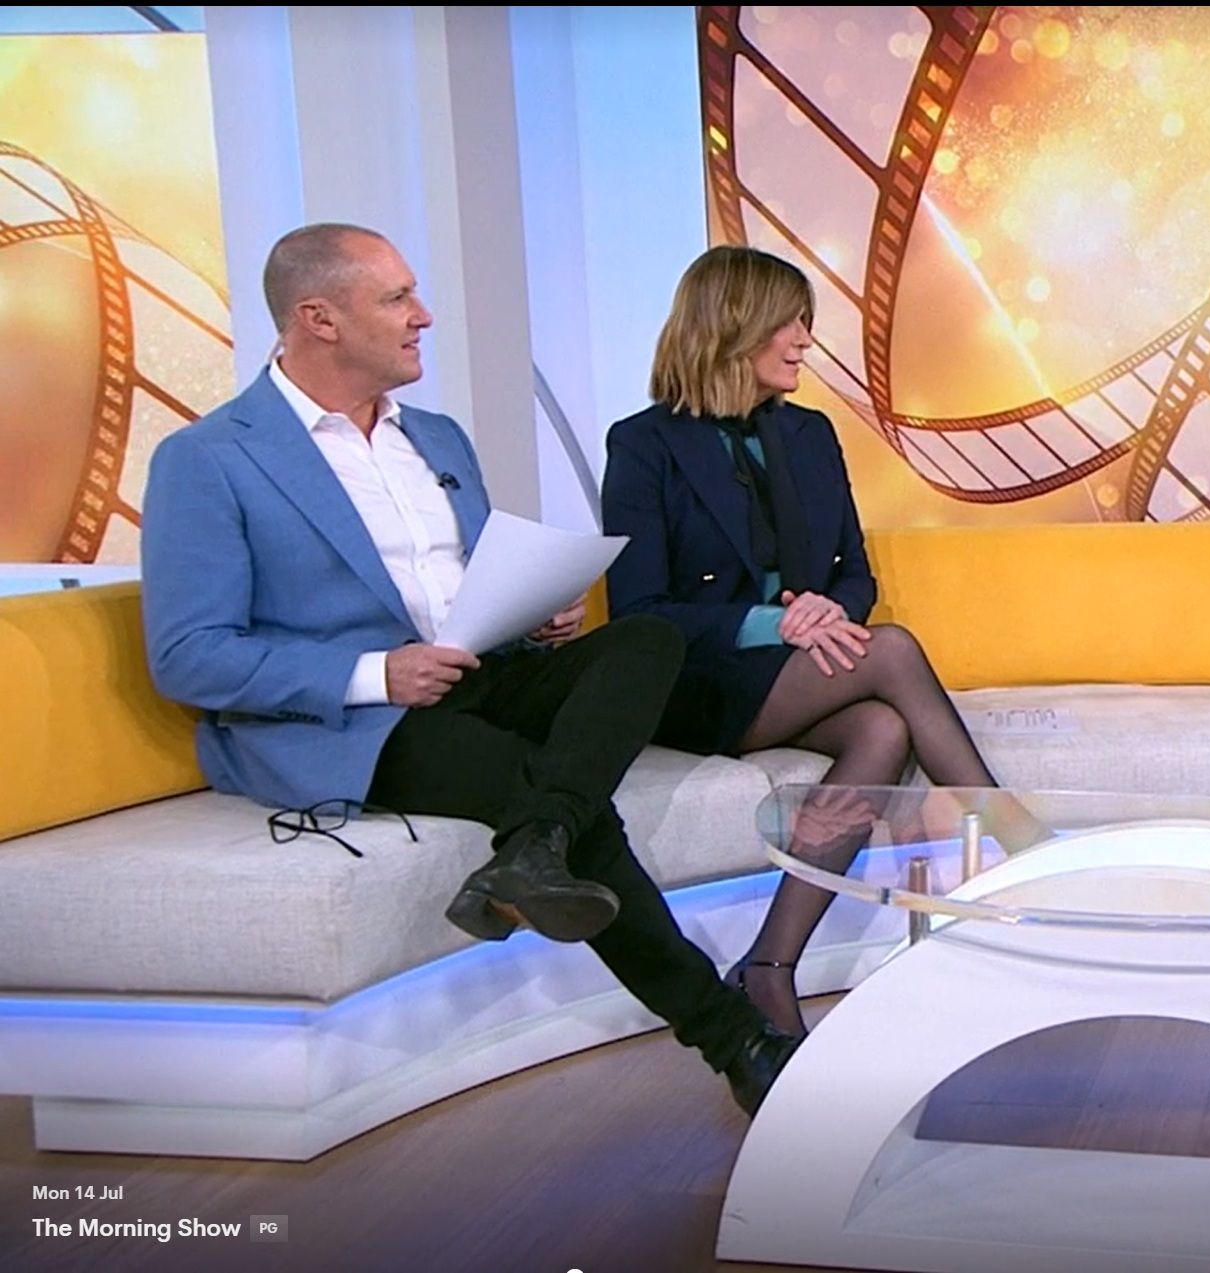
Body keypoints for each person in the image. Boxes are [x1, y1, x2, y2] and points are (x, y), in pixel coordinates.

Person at [140, 224, 797, 1116]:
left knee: (645, 640)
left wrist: (530, 614)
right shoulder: (211, 458)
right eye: (397, 298)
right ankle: (735, 1037)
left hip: (479, 674)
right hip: (358, 719)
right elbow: (188, 653)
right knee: (545, 787)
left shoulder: (437, 438)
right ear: (319, 317)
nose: (424, 316)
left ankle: (536, 847)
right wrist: (377, 674)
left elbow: (462, 590)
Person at [603, 245, 1030, 1040]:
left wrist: (828, 611)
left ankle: (768, 965)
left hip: (801, 666)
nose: (805, 339)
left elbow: (854, 573)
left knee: (883, 727)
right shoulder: (644, 444)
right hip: (701, 678)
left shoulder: (808, 432)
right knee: (891, 649)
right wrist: (778, 623)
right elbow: (639, 610)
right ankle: (1028, 852)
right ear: (733, 327)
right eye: (789, 323)